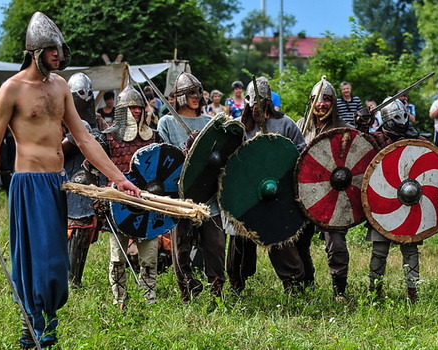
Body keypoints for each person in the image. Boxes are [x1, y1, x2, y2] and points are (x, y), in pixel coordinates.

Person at [0, 12, 139, 348]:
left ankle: (44, 327)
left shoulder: (61, 86)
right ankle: (32, 329)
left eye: (59, 50)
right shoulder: (11, 90)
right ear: (35, 51)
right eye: (51, 50)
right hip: (27, 185)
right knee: (35, 260)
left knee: (56, 263)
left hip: (54, 182)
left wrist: (119, 179)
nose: (57, 56)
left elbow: (84, 138)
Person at [227, 77, 307, 294]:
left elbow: (302, 154)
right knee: (240, 240)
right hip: (247, 193)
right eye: (254, 104)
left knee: (280, 237)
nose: (257, 108)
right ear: (248, 102)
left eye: (262, 103)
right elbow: (229, 160)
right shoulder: (239, 127)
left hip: (277, 192)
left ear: (269, 102)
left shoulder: (285, 124)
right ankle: (237, 284)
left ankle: (293, 283)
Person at [158, 72, 226, 302]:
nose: (196, 97)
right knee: (181, 247)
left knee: (215, 246)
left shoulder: (209, 122)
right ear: (179, 96)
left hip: (208, 196)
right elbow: (164, 160)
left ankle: (216, 292)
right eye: (190, 93)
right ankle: (187, 292)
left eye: (198, 92)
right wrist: (184, 153)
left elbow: (220, 157)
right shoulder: (166, 122)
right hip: (181, 195)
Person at [104, 81, 160, 308]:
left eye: (139, 107)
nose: (136, 111)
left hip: (146, 204)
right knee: (118, 259)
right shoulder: (108, 138)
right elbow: (90, 170)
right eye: (131, 107)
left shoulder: (153, 137)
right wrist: (103, 193)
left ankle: (149, 299)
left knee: (149, 258)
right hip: (119, 205)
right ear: (120, 111)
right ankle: (120, 301)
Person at [365, 97, 426, 301]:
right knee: (379, 250)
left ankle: (412, 291)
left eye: (403, 116)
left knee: (410, 249)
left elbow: (429, 160)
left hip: (409, 204)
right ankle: (374, 291)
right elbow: (360, 148)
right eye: (396, 117)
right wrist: (361, 124)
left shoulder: (416, 138)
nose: (401, 121)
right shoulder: (377, 139)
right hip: (383, 203)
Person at [296, 76, 350, 299]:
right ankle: (306, 283)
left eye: (327, 99)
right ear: (311, 102)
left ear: (333, 103)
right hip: (304, 193)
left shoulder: (343, 130)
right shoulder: (300, 126)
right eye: (317, 99)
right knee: (298, 241)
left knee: (336, 245)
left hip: (331, 196)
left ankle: (339, 290)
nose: (321, 104)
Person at [62, 73, 108, 288]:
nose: (85, 97)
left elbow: (106, 142)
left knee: (84, 228)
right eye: (80, 93)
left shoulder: (96, 119)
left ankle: (75, 280)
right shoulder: (59, 117)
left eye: (88, 93)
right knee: (64, 230)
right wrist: (73, 139)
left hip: (88, 179)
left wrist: (100, 137)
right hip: (63, 177)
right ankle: (62, 277)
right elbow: (54, 148)